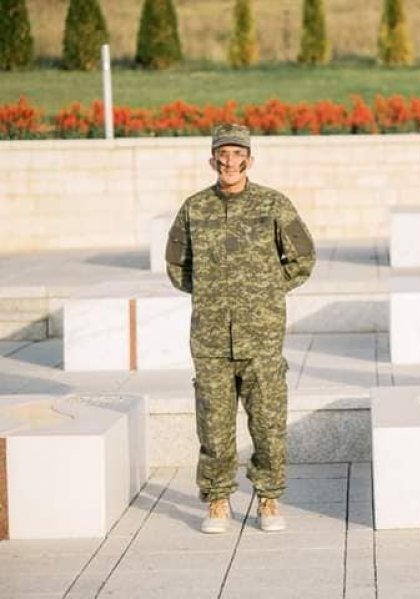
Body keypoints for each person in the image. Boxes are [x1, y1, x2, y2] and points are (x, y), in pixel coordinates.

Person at [165, 123, 316, 533]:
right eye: (223, 154)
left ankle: (268, 498)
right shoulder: (195, 208)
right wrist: (212, 293)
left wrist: (266, 291)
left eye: (238, 154)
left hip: (261, 337)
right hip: (210, 338)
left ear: (250, 159)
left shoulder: (273, 205)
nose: (230, 161)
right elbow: (177, 266)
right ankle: (217, 500)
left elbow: (303, 257)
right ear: (211, 159)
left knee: (267, 423)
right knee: (213, 425)